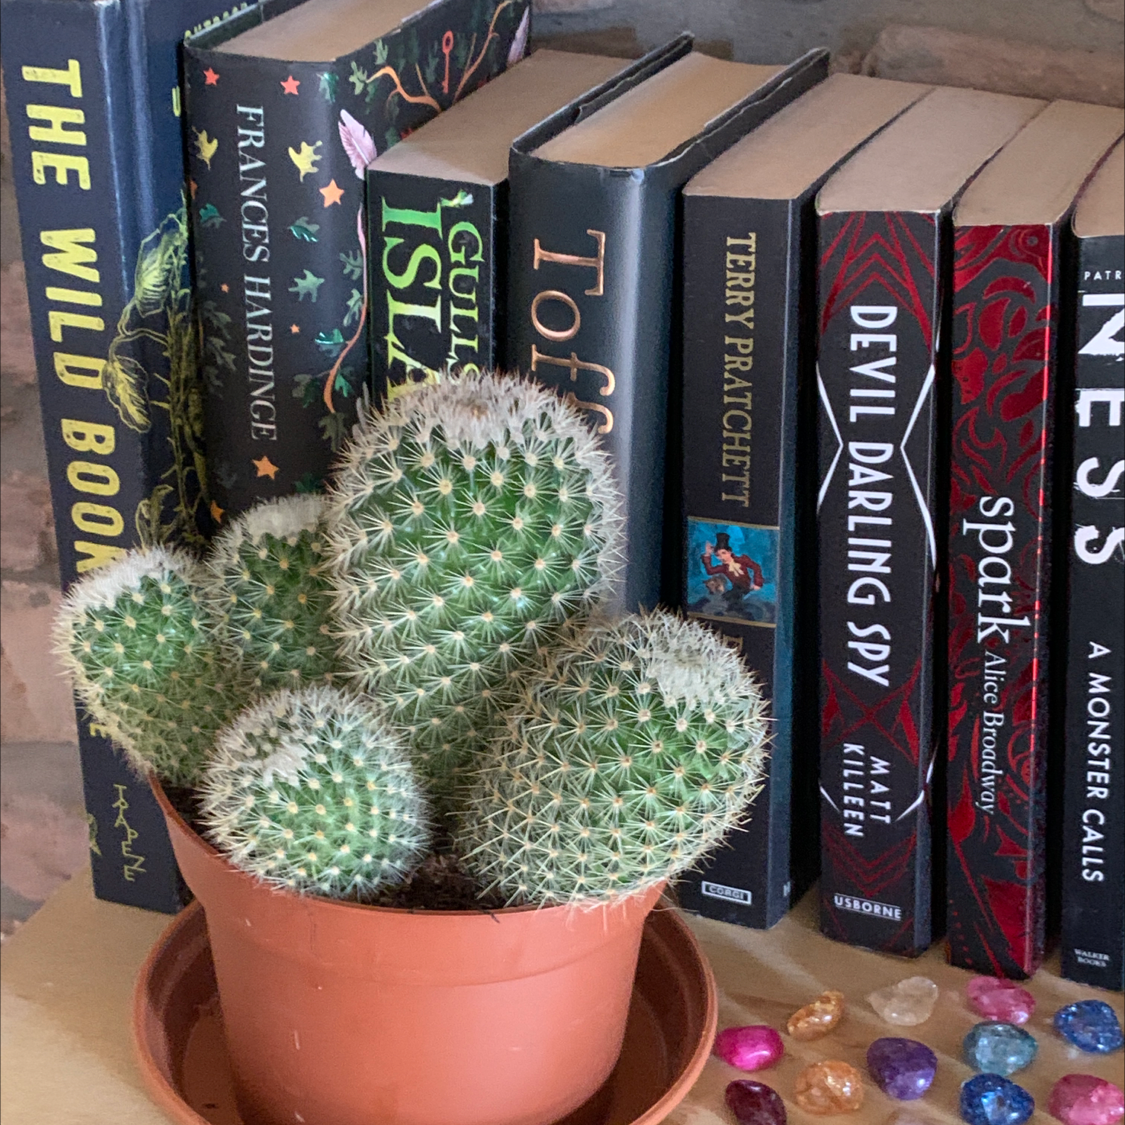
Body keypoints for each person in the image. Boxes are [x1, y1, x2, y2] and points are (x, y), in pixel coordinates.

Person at [700, 532, 763, 605]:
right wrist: (707, 554)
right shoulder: (723, 568)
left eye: (724, 553)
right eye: (718, 555)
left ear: (729, 552)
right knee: (726, 598)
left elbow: (756, 567)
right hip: (737, 589)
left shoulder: (742, 559)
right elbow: (710, 571)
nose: (722, 557)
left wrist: (757, 583)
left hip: (749, 587)